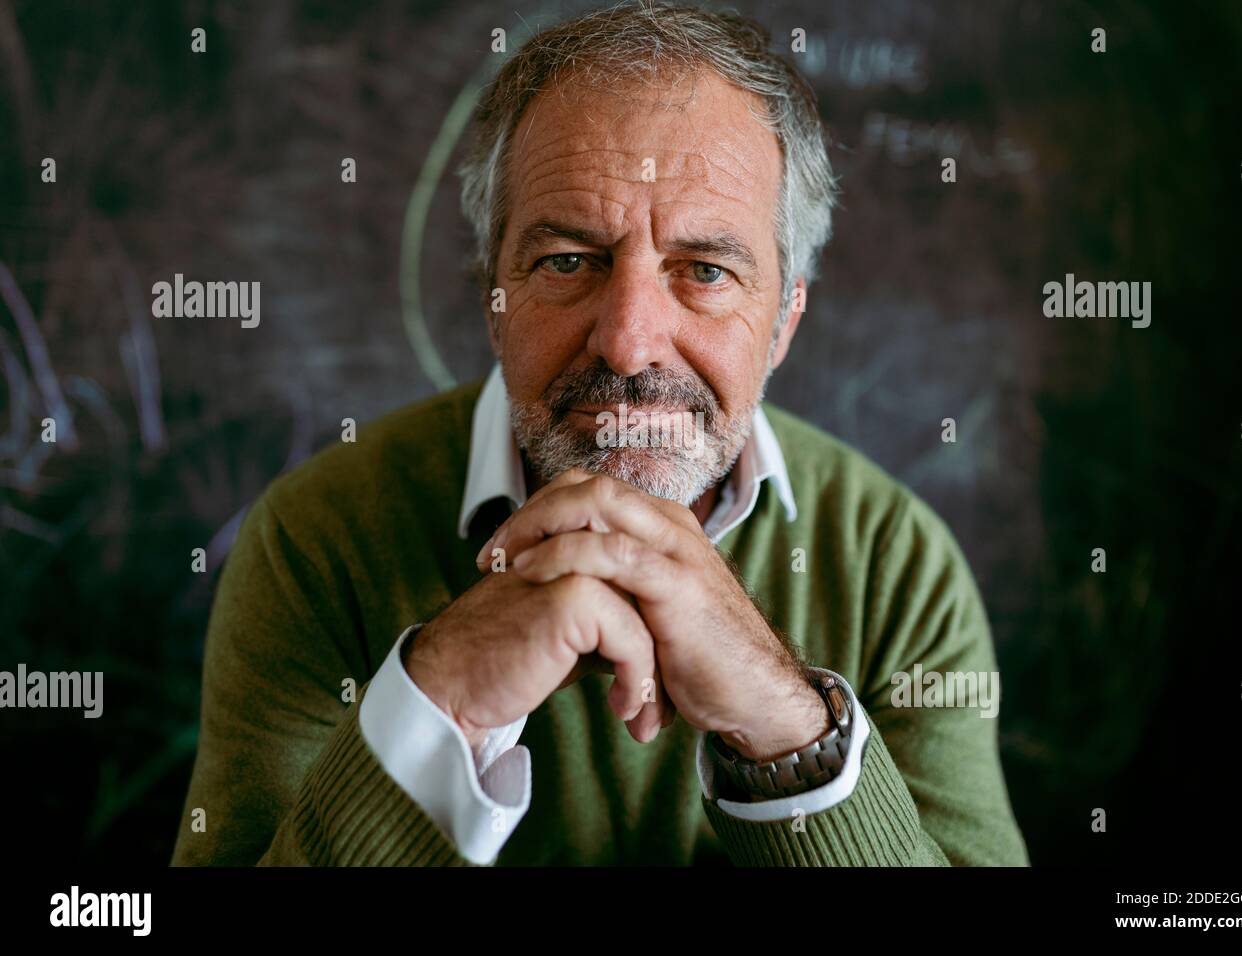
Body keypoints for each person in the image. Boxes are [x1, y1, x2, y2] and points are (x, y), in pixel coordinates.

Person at [171, 1, 1029, 867]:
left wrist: (787, 729)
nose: (628, 341)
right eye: (568, 261)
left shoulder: (897, 564)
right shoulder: (317, 543)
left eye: (705, 271)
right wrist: (436, 712)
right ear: (492, 296)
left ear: (785, 321)